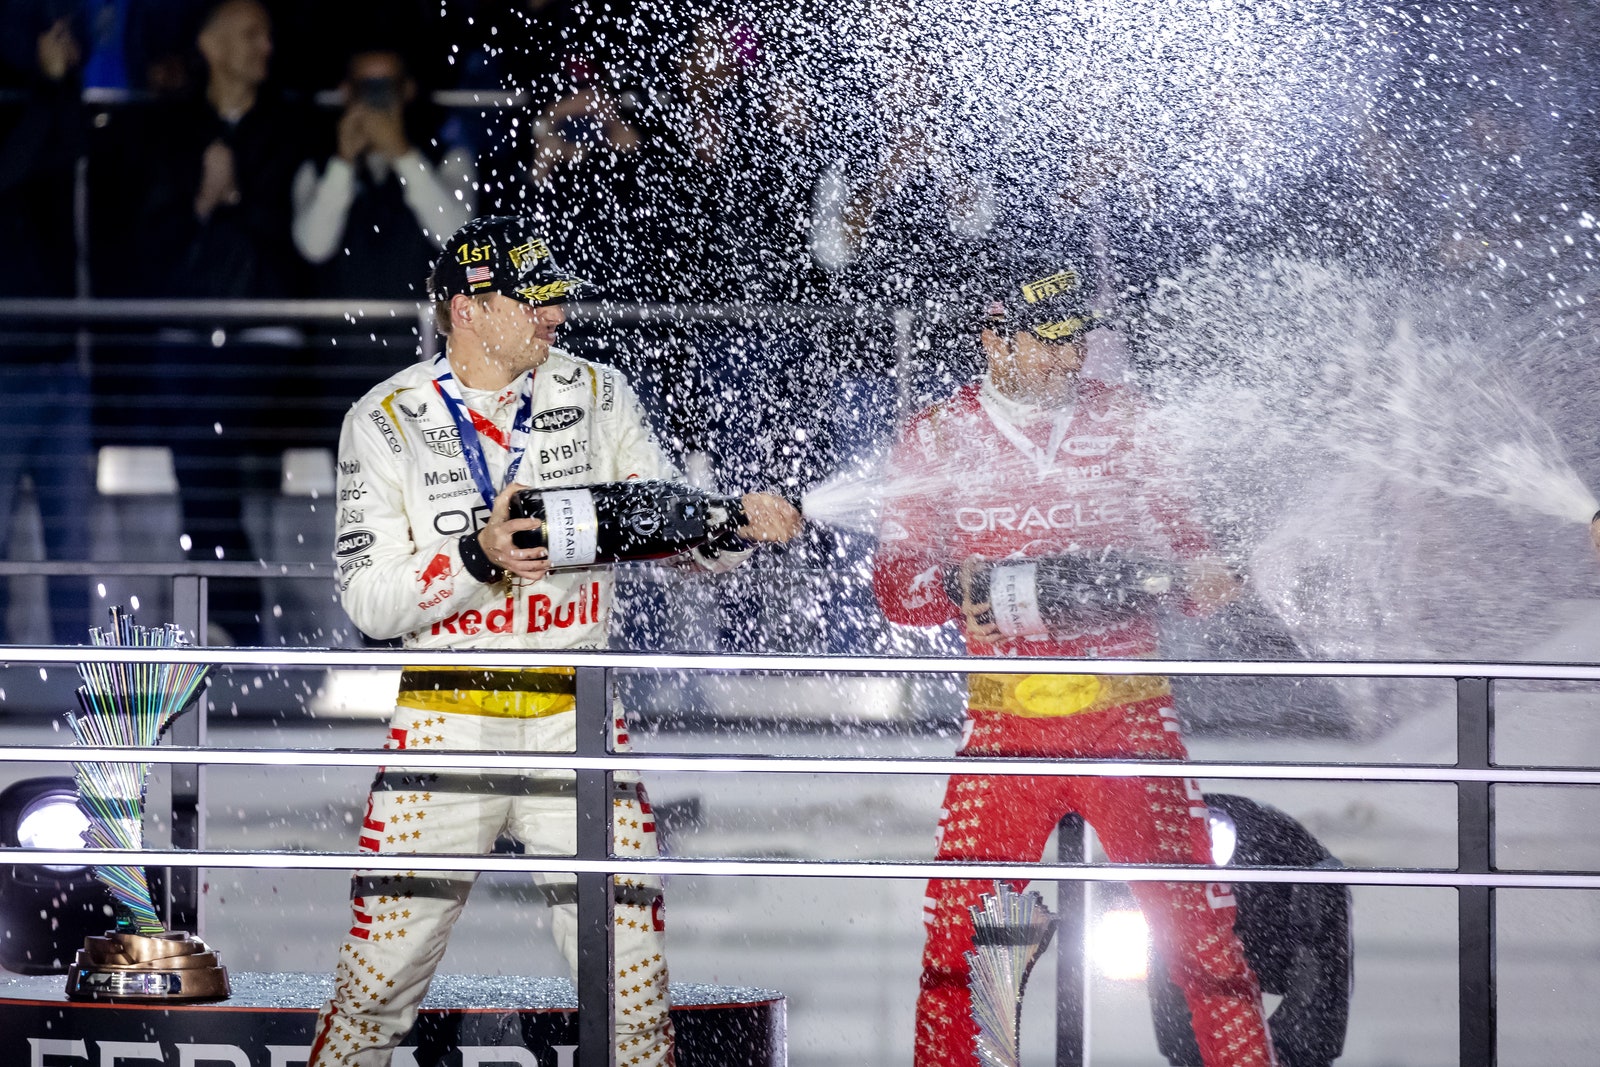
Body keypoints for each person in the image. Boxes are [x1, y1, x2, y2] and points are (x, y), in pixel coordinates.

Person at [307, 215, 801, 1067]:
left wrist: (732, 524)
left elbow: (664, 528)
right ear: (466, 309)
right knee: (369, 1001)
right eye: (533, 302)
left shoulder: (599, 392)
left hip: (580, 720)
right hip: (444, 725)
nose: (556, 316)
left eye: (556, 298)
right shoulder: (383, 419)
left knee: (636, 1006)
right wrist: (477, 555)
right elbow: (369, 599)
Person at [872, 262, 1277, 1067]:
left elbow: (1191, 557)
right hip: (1003, 728)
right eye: (1046, 345)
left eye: (1075, 344)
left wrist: (1216, 575)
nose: (1067, 363)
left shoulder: (1126, 421)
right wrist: (954, 587)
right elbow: (896, 587)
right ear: (993, 339)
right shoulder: (936, 433)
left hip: (1131, 723)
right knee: (960, 944)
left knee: (1204, 936)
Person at [0, 10, 93, 643]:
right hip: (3, 374)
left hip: (62, 365)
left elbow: (71, 150)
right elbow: (7, 171)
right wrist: (46, 85)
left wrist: (59, 86)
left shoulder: (58, 103)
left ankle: (86, 709)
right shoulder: (28, 102)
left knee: (72, 553)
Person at [292, 45, 475, 299]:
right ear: (347, 92)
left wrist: (403, 154)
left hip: (421, 332)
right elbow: (313, 247)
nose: (376, 98)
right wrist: (343, 163)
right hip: (340, 332)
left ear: (407, 90)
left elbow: (456, 237)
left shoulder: (448, 158)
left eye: (387, 86)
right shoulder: (316, 164)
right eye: (365, 87)